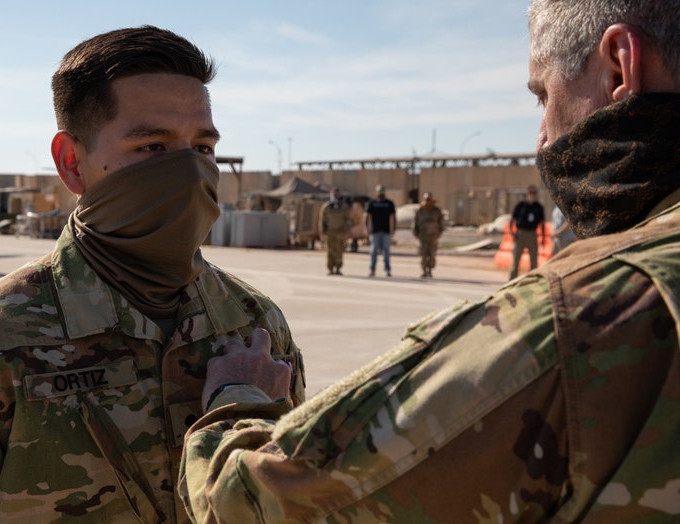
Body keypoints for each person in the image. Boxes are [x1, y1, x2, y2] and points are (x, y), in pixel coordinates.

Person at [179, 1, 680, 521]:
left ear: (621, 67)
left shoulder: (575, 320)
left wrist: (237, 399)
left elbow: (251, 504)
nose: (542, 138)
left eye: (542, 95)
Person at [0, 26, 306, 523]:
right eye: (153, 148)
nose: (189, 171)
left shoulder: (254, 324)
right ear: (72, 163)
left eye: (202, 148)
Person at [508, 184, 546, 279]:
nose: (532, 196)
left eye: (534, 194)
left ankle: (532, 281)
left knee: (534, 261)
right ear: (527, 194)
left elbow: (542, 223)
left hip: (532, 234)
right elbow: (512, 220)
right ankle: (512, 280)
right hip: (521, 233)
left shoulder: (538, 207)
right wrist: (512, 234)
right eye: (530, 193)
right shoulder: (521, 206)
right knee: (516, 259)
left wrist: (543, 237)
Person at [364, 184, 396, 277]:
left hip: (386, 231)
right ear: (376, 192)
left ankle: (387, 270)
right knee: (373, 251)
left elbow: (393, 217)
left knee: (386, 252)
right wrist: (366, 228)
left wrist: (393, 229)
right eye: (379, 191)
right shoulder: (372, 203)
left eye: (382, 191)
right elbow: (366, 216)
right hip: (375, 231)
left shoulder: (389, 203)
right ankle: (372, 269)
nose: (381, 193)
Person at [411, 192, 446, 278]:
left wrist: (440, 232)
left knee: (432, 254)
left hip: (433, 235)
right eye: (426, 199)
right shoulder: (420, 210)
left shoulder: (436, 211)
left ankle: (430, 269)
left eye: (429, 199)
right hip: (423, 235)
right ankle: (424, 270)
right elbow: (415, 222)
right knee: (423, 253)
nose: (427, 201)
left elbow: (441, 222)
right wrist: (415, 232)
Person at [319, 187, 352, 275]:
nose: (335, 196)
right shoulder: (326, 207)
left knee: (339, 251)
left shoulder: (344, 207)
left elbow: (348, 220)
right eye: (334, 194)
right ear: (331, 194)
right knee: (330, 251)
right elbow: (322, 220)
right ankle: (330, 268)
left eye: (337, 194)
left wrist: (347, 232)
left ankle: (338, 268)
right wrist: (322, 232)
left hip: (340, 232)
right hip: (330, 232)